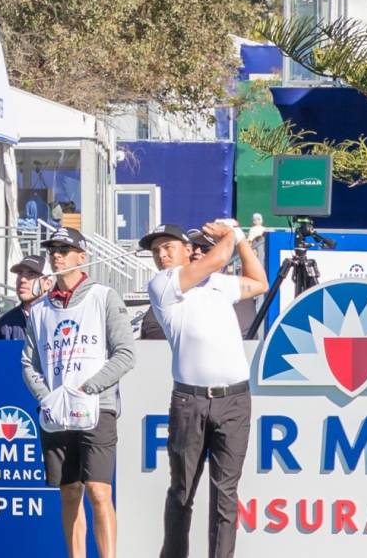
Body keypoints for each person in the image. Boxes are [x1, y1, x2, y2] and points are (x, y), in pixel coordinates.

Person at [142, 222, 265, 558]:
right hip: (189, 401)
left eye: (168, 247)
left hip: (235, 399)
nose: (162, 255)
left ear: (187, 249)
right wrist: (233, 233)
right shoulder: (163, 284)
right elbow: (214, 259)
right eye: (156, 251)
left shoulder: (216, 284)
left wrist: (241, 244)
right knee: (182, 492)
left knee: (225, 494)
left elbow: (259, 282)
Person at [21, 227, 135, 558]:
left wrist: (89, 388)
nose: (56, 254)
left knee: (99, 491)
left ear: (81, 257)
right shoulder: (40, 309)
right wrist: (47, 397)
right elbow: (28, 363)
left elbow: (126, 352)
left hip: (97, 408)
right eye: (52, 249)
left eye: (64, 249)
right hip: (57, 414)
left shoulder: (103, 296)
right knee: (69, 492)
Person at [0, 255, 50, 342]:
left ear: (47, 284)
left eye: (31, 274)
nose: (23, 279)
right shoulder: (5, 323)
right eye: (20, 273)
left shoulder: (57, 317)